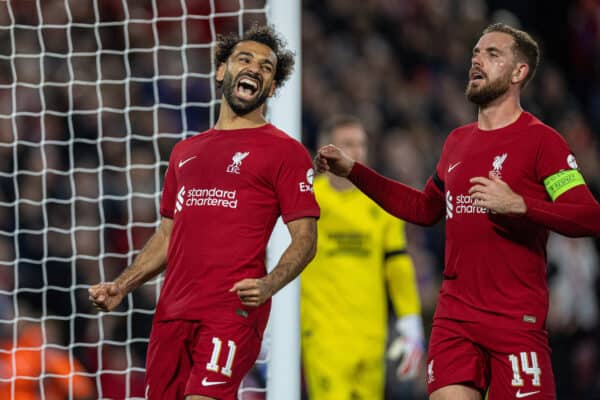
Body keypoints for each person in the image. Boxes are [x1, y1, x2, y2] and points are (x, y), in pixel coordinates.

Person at [315, 23, 600, 400]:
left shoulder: (542, 141)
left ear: (519, 73)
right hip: (455, 320)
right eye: (475, 53)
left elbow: (588, 215)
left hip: (515, 322)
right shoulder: (457, 142)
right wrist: (354, 172)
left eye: (493, 54)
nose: (477, 60)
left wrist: (521, 205)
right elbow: (422, 208)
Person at [89, 24, 320, 400]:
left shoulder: (285, 152)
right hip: (172, 311)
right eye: (244, 59)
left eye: (266, 68)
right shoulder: (185, 152)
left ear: (272, 88)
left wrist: (269, 284)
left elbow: (306, 239)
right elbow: (167, 235)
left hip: (232, 309)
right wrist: (123, 285)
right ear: (221, 70)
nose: (255, 69)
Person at [301, 115, 425, 400]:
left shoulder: (381, 204)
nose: (354, 152)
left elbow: (397, 263)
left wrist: (409, 319)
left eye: (360, 144)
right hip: (324, 337)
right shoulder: (307, 199)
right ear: (324, 149)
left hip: (372, 338)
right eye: (346, 144)